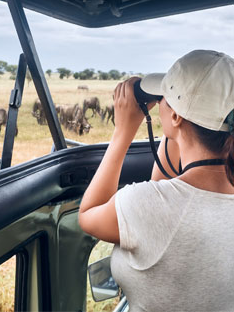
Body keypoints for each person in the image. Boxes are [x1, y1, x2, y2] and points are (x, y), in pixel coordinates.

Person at [79, 50, 234, 312]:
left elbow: (88, 215)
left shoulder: (146, 205)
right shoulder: (159, 203)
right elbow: (169, 190)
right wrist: (177, 132)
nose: (160, 102)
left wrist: (122, 132)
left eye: (164, 99)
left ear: (175, 117)